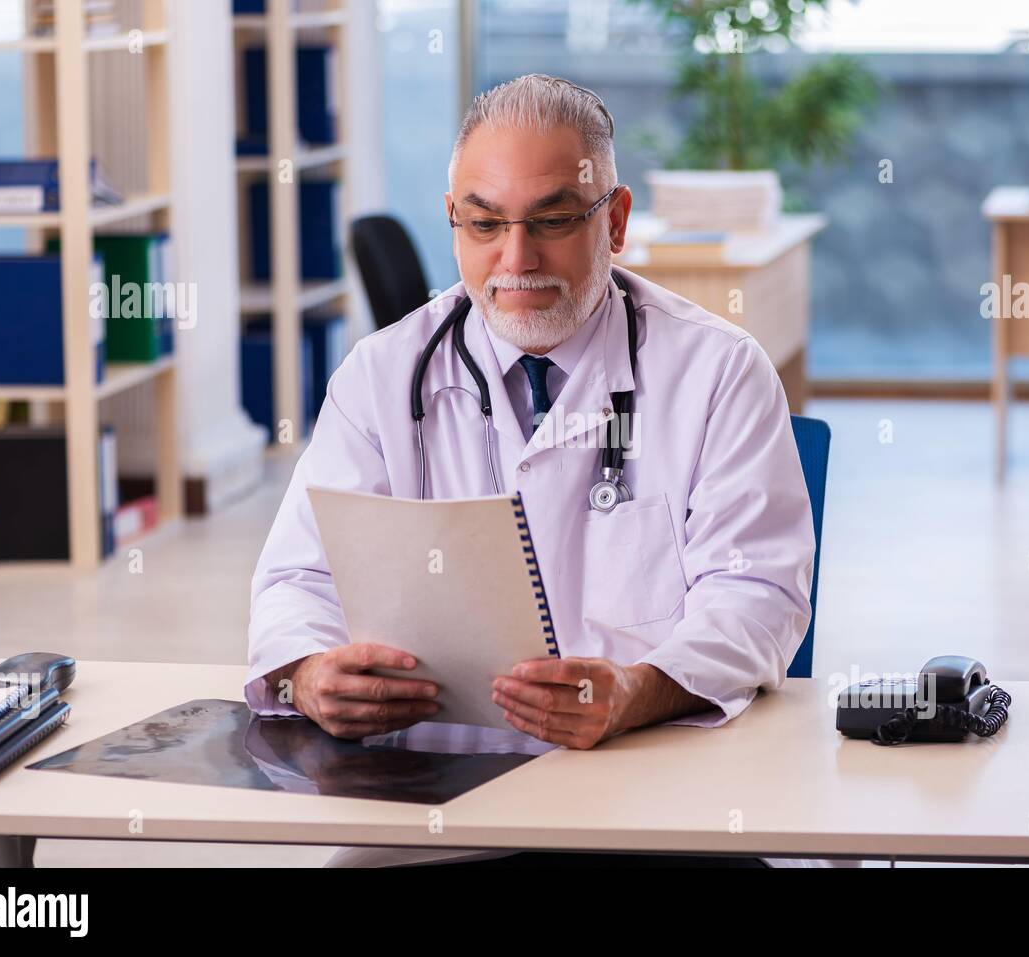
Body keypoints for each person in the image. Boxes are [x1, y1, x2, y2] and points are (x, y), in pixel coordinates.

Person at [247, 74, 817, 867]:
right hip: (440, 800)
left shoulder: (717, 371)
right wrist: (308, 672)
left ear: (613, 220)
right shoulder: (381, 375)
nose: (515, 259)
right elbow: (295, 580)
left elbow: (758, 595)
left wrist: (636, 691)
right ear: (453, 220)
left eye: (551, 220)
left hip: (656, 801)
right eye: (484, 224)